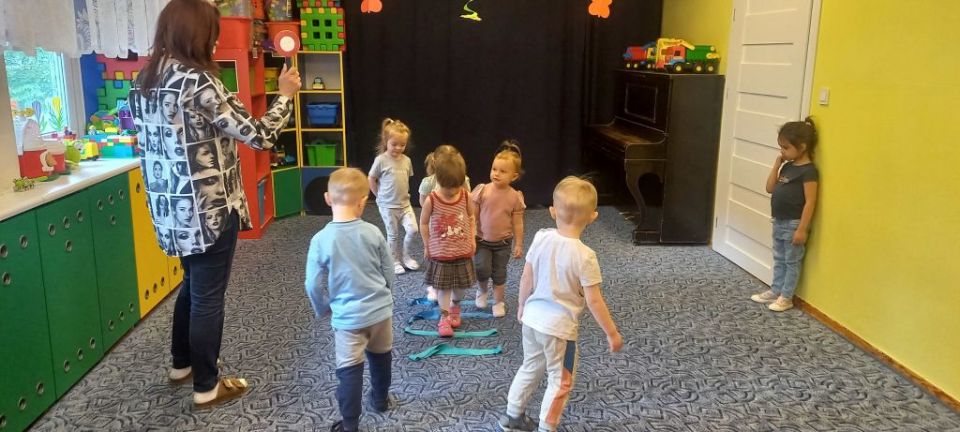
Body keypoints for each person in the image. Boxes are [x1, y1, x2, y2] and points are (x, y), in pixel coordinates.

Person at [128, 0, 301, 409]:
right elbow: (259, 135)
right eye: (213, 33)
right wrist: (285, 96)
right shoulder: (199, 82)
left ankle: (182, 364)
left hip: (171, 212)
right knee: (207, 297)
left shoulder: (144, 80)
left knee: (191, 286)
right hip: (209, 211)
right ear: (198, 34)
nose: (216, 41)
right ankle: (206, 386)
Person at [498, 176, 623, 432]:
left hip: (532, 319)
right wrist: (611, 333)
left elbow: (526, 276)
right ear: (593, 217)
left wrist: (521, 305)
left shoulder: (541, 237)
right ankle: (547, 426)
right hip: (559, 329)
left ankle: (512, 416)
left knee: (530, 366)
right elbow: (594, 300)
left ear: (553, 211)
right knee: (561, 380)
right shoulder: (586, 256)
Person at [305, 167, 395, 432]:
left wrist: (322, 307)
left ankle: (350, 424)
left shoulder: (320, 239)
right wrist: (386, 295)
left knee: (350, 371)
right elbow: (388, 269)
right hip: (381, 314)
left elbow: (312, 283)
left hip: (348, 318)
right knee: (381, 359)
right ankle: (380, 400)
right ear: (363, 201)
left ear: (327, 198)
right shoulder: (373, 232)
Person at [750, 118, 820, 312]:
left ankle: (786, 297)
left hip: (793, 224)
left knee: (791, 261)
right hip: (779, 221)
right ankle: (776, 290)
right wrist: (777, 166)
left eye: (786, 148)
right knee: (779, 258)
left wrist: (802, 229)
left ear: (802, 147)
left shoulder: (809, 171)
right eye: (781, 147)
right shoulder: (788, 166)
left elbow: (811, 201)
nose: (782, 151)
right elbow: (769, 188)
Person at [419, 147, 476, 337]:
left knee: (459, 289)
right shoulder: (432, 199)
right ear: (438, 180)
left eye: (456, 186)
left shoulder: (466, 196)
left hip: (462, 251)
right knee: (443, 288)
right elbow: (424, 222)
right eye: (447, 187)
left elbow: (471, 217)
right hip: (441, 253)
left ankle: (455, 307)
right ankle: (444, 318)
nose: (451, 192)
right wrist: (427, 244)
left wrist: (472, 238)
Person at [472, 140, 526, 317]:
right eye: (494, 169)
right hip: (481, 240)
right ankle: (482, 291)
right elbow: (472, 216)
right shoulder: (482, 190)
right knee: (481, 268)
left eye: (503, 171)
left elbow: (518, 222)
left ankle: (498, 302)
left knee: (499, 273)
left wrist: (519, 243)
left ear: (514, 176)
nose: (496, 173)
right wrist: (470, 235)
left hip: (503, 243)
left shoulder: (515, 197)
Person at [369, 118, 419, 275]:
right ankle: (394, 261)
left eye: (402, 145)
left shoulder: (407, 160)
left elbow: (405, 180)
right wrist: (378, 196)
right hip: (388, 206)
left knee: (413, 230)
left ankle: (405, 256)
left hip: (405, 204)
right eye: (394, 144)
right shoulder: (381, 160)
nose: (398, 148)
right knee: (393, 235)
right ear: (386, 141)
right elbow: (371, 178)